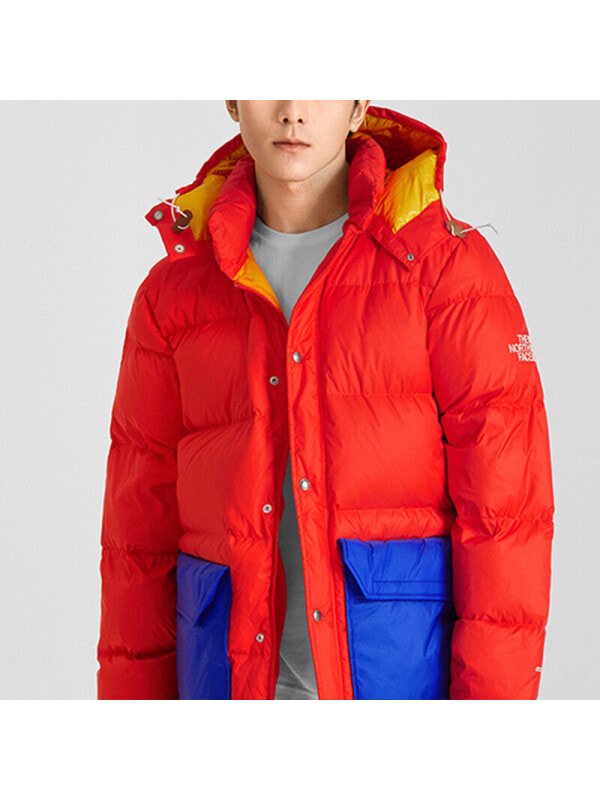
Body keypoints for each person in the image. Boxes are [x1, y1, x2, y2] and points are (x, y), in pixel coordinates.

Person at [96, 100, 555, 700]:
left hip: (396, 690)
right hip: (227, 686)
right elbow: (136, 537)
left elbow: (506, 515)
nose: (293, 111)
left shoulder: (446, 269)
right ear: (233, 99)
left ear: (358, 104)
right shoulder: (173, 295)